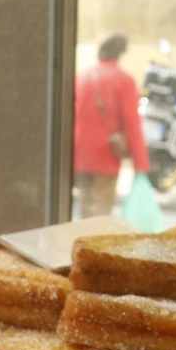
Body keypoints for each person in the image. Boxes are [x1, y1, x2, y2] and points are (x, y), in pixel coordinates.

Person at [72, 32, 148, 218]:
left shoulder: (81, 77)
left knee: (85, 209)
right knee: (99, 214)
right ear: (120, 53)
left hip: (79, 155)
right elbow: (132, 125)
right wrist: (141, 165)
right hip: (105, 157)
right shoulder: (123, 81)